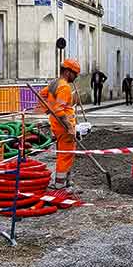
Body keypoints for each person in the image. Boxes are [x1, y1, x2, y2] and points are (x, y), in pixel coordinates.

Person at [39, 59, 81, 188]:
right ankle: (59, 185)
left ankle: (65, 182)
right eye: (75, 74)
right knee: (65, 155)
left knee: (66, 153)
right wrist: (69, 127)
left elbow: (41, 95)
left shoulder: (55, 83)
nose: (76, 77)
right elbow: (59, 109)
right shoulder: (64, 87)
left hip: (57, 126)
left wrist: (47, 110)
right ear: (68, 72)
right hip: (64, 128)